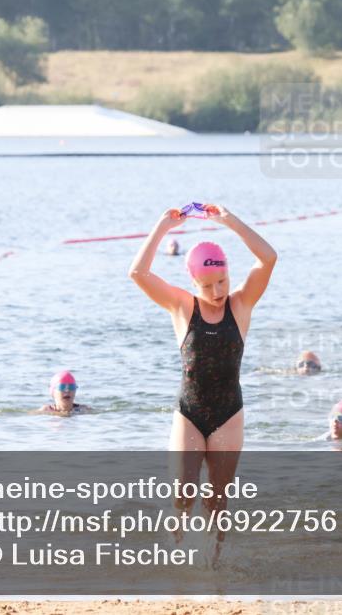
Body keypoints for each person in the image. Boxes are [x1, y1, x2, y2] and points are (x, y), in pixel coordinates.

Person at [128, 203, 276, 554]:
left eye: (222, 280)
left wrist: (230, 221)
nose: (217, 291)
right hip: (190, 412)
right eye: (207, 285)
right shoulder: (182, 307)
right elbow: (137, 273)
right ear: (193, 282)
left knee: (216, 502)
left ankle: (214, 567)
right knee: (183, 495)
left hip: (229, 413)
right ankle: (174, 557)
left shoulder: (241, 304)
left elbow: (268, 258)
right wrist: (162, 227)